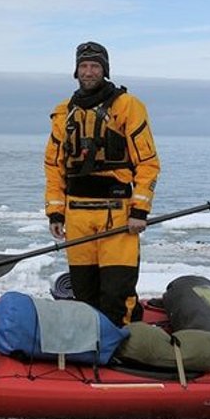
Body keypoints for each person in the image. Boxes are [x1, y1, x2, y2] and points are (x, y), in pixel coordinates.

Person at [44, 41, 160, 326]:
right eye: (83, 66)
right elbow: (53, 167)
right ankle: (91, 350)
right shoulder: (63, 113)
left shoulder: (128, 107)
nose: (89, 72)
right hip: (78, 216)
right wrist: (55, 213)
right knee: (84, 295)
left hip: (117, 216)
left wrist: (139, 211)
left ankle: (125, 347)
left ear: (104, 70)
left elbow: (148, 163)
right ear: (76, 71)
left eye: (95, 66)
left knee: (117, 295)